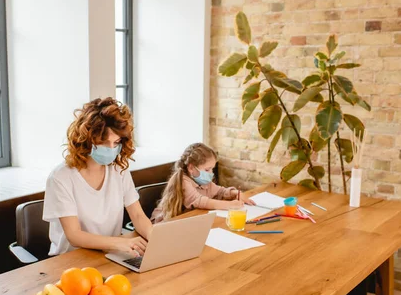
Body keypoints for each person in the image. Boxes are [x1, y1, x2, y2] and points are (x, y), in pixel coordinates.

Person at [43, 97, 151, 257]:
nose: (111, 148)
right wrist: (121, 243)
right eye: (104, 142)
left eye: (116, 142)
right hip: (72, 261)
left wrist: (156, 239)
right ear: (86, 138)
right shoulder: (61, 178)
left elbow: (137, 215)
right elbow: (74, 236)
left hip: (109, 254)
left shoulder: (118, 170)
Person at [151, 143, 255, 223]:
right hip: (163, 224)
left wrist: (235, 193)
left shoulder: (204, 181)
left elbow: (221, 191)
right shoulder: (183, 181)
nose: (211, 173)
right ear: (191, 168)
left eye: (212, 169)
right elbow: (200, 201)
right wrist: (229, 205)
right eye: (207, 170)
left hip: (189, 222)